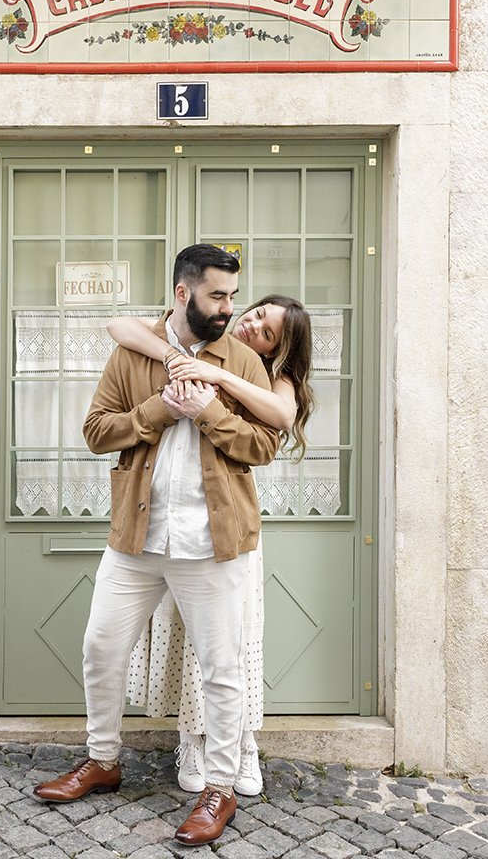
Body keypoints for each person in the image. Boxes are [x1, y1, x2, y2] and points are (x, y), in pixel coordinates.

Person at [32, 244, 282, 847]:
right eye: (216, 296)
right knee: (100, 646)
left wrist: (206, 413)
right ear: (182, 293)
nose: (228, 309)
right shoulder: (133, 353)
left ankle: (218, 787)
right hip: (136, 537)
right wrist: (157, 411)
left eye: (232, 297)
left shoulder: (243, 362)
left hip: (214, 542)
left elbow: (264, 446)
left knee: (221, 669)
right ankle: (103, 760)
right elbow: (96, 431)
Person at [107, 294, 315, 797]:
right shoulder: (203, 344)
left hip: (227, 528)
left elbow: (280, 420)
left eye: (267, 332)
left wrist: (219, 379)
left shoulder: (270, 378)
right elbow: (119, 325)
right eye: (257, 313)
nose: (253, 327)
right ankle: (190, 741)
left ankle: (243, 744)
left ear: (279, 348)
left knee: (231, 647)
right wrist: (177, 357)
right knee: (186, 641)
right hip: (168, 529)